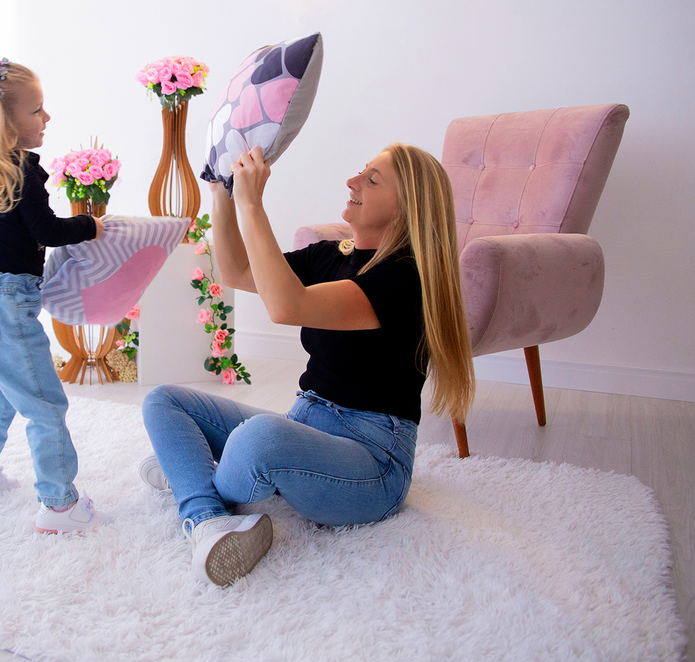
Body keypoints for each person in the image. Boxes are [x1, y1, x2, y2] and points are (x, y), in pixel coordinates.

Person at [140, 143, 475, 585]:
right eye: (361, 171)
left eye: (372, 180)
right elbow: (236, 271)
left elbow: (285, 305)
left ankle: (192, 478)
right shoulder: (332, 255)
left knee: (258, 440)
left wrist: (252, 203)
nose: (353, 182)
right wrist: (222, 190)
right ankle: (208, 519)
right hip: (308, 420)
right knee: (164, 401)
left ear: (406, 208)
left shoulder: (403, 278)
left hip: (374, 461)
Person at [0, 58, 106, 534]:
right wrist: (91, 224)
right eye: (37, 110)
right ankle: (60, 505)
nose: (46, 118)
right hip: (5, 302)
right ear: (7, 122)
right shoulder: (25, 170)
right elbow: (48, 230)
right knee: (44, 404)